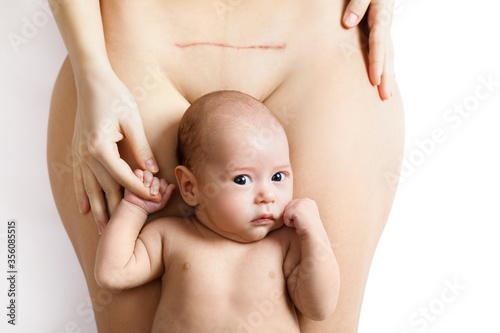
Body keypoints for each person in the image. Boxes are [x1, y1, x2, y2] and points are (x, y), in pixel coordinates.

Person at [47, 0, 404, 331]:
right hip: (133, 59)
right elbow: (115, 270)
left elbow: (320, 304)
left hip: (318, 57)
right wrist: (90, 68)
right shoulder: (164, 241)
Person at [94, 91, 340, 332]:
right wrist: (135, 208)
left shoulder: (287, 242)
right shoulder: (170, 236)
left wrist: (314, 234)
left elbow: (319, 308)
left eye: (278, 176)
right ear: (190, 187)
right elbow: (113, 273)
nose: (268, 195)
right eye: (242, 179)